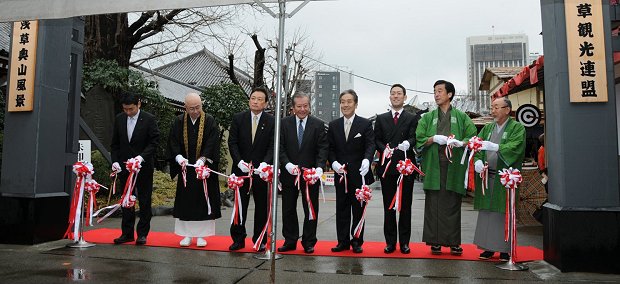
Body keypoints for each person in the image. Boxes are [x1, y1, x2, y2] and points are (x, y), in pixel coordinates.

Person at [416, 80, 476, 255]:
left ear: (449, 94)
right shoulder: (427, 117)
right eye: (435, 91)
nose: (436, 94)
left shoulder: (462, 116)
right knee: (433, 204)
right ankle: (435, 241)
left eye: (440, 91)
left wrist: (461, 142)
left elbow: (472, 137)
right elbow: (419, 138)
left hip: (454, 166)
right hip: (434, 165)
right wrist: (433, 139)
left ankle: (454, 242)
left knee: (452, 204)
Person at [473, 97, 526, 261]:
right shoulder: (487, 128)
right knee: (487, 213)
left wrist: (497, 147)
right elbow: (477, 146)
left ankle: (504, 249)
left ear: (507, 110)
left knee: (504, 213)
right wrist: (478, 161)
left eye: (496, 107)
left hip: (505, 179)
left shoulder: (517, 128)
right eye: (492, 107)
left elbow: (516, 147)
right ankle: (488, 247)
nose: (493, 111)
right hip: (487, 177)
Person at [167, 93, 222, 247]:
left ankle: (201, 236)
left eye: (198, 107)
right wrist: (178, 157)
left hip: (203, 170)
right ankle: (186, 235)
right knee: (186, 203)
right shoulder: (178, 121)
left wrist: (203, 160)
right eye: (192, 108)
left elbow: (212, 143)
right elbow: (173, 142)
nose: (196, 111)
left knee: (203, 202)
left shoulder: (210, 121)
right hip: (186, 169)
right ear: (185, 107)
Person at [278, 93, 328, 254]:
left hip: (310, 175)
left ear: (309, 106)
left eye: (305, 106)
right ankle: (290, 240)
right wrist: (286, 164)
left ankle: (309, 241)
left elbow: (322, 148)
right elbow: (280, 147)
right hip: (289, 174)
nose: (302, 109)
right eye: (299, 106)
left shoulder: (318, 124)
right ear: (293, 108)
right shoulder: (284, 123)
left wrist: (319, 168)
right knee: (288, 208)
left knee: (311, 209)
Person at [327, 89, 375, 254]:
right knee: (341, 208)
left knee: (358, 209)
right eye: (343, 102)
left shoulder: (365, 124)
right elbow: (330, 148)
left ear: (356, 104)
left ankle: (357, 241)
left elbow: (370, 145)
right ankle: (342, 241)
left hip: (359, 174)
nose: (345, 105)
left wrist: (367, 160)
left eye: (349, 101)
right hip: (341, 175)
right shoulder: (334, 125)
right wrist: (333, 162)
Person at [227, 87, 275, 252]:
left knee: (262, 206)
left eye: (259, 99)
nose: (255, 101)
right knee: (240, 206)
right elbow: (232, 142)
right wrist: (239, 161)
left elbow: (272, 146)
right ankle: (238, 239)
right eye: (253, 98)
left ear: (266, 103)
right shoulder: (239, 118)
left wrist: (265, 163)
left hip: (261, 172)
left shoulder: (271, 121)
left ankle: (259, 239)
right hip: (241, 171)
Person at [374, 84, 419, 254]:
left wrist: (409, 143)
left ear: (405, 97)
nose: (396, 96)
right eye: (393, 93)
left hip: (406, 167)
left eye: (399, 93)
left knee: (405, 206)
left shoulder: (412, 117)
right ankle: (390, 242)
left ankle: (405, 242)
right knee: (389, 206)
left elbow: (415, 136)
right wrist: (383, 148)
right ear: (389, 97)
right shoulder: (381, 118)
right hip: (387, 167)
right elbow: (376, 138)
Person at [111, 92, 160, 245]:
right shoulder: (119, 119)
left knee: (144, 200)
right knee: (126, 199)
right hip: (125, 167)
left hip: (143, 166)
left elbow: (154, 142)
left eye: (131, 109)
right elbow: (115, 144)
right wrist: (115, 161)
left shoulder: (149, 119)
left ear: (138, 104)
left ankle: (142, 233)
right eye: (125, 109)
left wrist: (141, 157)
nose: (128, 112)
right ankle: (127, 233)